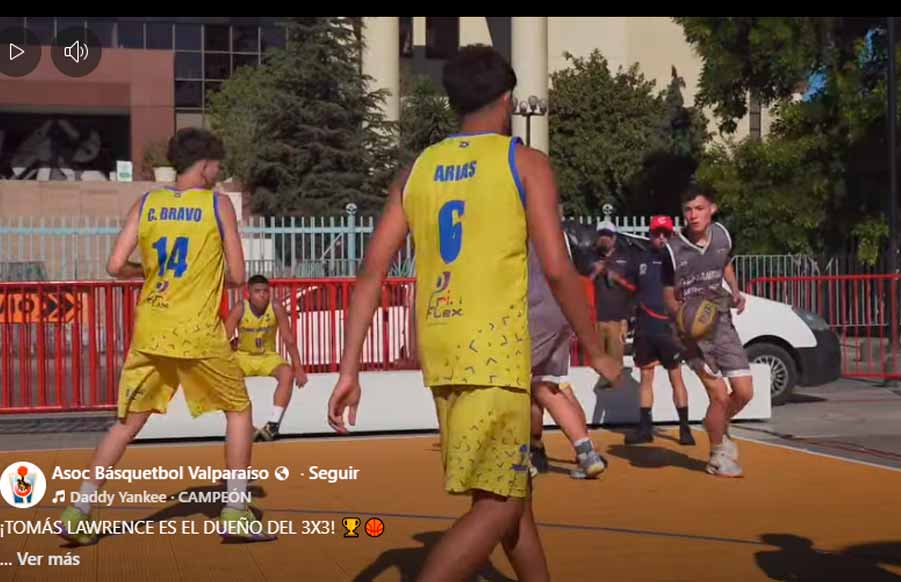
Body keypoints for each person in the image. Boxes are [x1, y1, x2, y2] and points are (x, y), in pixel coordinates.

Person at [326, 45, 621, 582]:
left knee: (511, 494)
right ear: (508, 99)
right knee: (500, 503)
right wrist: (596, 350)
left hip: (441, 350)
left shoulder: (417, 170)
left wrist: (349, 369)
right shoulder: (524, 162)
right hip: (497, 352)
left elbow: (371, 272)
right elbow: (558, 269)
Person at [55, 128, 274, 544]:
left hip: (151, 328)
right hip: (196, 331)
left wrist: (149, 273)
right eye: (217, 164)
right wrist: (206, 275)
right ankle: (236, 508)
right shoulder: (217, 203)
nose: (219, 171)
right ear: (207, 166)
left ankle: (79, 507)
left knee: (124, 424)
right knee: (239, 410)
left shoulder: (147, 202)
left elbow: (116, 265)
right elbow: (240, 276)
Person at [663, 183, 752, 477]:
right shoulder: (672, 250)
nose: (693, 215)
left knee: (744, 392)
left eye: (699, 208)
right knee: (719, 396)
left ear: (712, 209)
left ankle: (715, 425)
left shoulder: (723, 235)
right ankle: (717, 456)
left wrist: (735, 291)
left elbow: (724, 263)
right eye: (688, 210)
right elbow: (667, 296)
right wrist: (686, 322)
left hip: (721, 320)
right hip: (691, 334)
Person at [527, 224, 607, 479]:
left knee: (515, 385)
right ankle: (586, 453)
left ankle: (521, 455)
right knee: (549, 386)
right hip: (562, 311)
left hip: (535, 312)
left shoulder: (521, 224)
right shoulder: (557, 230)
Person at [625, 215, 694, 446]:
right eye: (657, 234)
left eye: (666, 234)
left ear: (672, 235)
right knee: (646, 376)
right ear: (651, 235)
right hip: (645, 328)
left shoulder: (679, 262)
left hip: (668, 328)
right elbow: (631, 290)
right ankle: (645, 428)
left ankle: (685, 429)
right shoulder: (640, 260)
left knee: (676, 376)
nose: (661, 238)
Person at [225, 274, 309, 441]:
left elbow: (288, 339)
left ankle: (273, 424)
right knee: (226, 377)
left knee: (287, 374)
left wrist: (298, 367)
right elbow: (224, 337)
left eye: (265, 291)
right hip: (243, 356)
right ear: (248, 292)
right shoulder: (240, 308)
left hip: (268, 356)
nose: (262, 295)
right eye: (257, 291)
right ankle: (245, 426)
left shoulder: (276, 307)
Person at [590, 220, 637, 387]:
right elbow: (580, 286)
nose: (604, 239)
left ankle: (616, 403)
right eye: (601, 236)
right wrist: (595, 273)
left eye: (608, 236)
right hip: (595, 319)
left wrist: (617, 279)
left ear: (614, 238)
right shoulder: (590, 257)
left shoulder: (626, 258)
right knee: (595, 366)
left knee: (616, 365)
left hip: (617, 320)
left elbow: (634, 288)